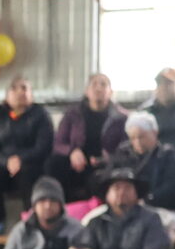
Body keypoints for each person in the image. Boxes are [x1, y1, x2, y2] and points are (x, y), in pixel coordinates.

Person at [81, 164, 169, 249]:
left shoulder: (151, 219)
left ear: (136, 193)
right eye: (116, 188)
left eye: (127, 188)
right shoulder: (95, 223)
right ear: (107, 194)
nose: (122, 192)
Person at [0, 75, 56, 221]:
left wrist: (20, 159)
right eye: (14, 88)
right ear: (7, 96)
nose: (20, 92)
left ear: (31, 95)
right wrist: (6, 161)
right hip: (4, 165)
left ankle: (33, 221)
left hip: (31, 164)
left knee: (29, 177)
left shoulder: (40, 114)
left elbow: (44, 146)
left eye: (24, 88)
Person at [100, 111, 175, 217]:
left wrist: (146, 200)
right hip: (123, 207)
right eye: (133, 138)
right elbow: (109, 179)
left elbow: (173, 188)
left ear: (154, 132)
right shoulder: (122, 153)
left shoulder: (167, 155)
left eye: (141, 137)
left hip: (158, 209)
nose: (137, 142)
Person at [53, 71, 126, 200]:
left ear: (111, 92)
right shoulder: (73, 114)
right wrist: (72, 151)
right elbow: (59, 143)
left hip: (106, 163)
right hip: (77, 161)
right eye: (94, 85)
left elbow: (127, 147)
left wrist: (106, 159)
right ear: (87, 91)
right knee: (53, 164)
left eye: (103, 85)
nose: (98, 88)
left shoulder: (121, 117)